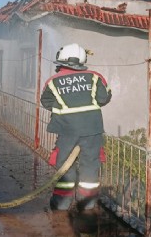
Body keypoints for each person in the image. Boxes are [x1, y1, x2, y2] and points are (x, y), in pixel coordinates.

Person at [40, 43, 112, 211]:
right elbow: (104, 98)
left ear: (62, 60)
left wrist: (65, 111)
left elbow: (46, 102)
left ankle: (62, 203)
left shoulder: (52, 81)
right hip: (92, 129)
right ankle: (87, 203)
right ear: (81, 60)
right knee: (90, 166)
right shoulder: (95, 77)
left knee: (65, 166)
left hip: (67, 131)